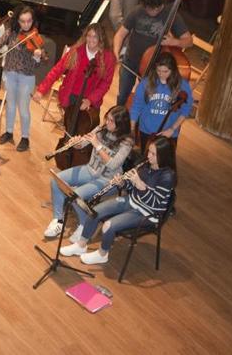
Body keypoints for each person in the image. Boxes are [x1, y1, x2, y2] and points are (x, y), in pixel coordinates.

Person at [59, 136, 176, 265]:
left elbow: (155, 203)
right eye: (149, 151)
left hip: (147, 213)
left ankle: (103, 254)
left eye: (154, 154)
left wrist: (140, 185)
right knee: (94, 212)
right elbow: (131, 188)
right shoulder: (145, 165)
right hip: (133, 200)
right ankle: (81, 245)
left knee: (108, 226)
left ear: (163, 156)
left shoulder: (167, 177)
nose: (149, 156)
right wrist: (122, 183)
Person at [42, 105, 134, 239]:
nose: (107, 122)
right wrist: (77, 142)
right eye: (107, 118)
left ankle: (85, 224)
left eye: (111, 121)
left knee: (75, 196)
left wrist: (97, 145)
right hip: (90, 169)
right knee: (56, 180)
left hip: (108, 179)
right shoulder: (102, 129)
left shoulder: (127, 142)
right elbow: (82, 145)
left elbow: (114, 164)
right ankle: (59, 220)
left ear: (121, 124)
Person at [113, 0, 193, 106]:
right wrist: (116, 52)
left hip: (152, 68)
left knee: (145, 100)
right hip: (130, 61)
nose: (151, 12)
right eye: (148, 8)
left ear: (161, 5)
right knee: (123, 95)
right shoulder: (137, 11)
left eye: (154, 9)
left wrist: (174, 41)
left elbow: (189, 41)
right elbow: (120, 34)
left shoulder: (171, 15)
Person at [0, 5, 45, 152]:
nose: (26, 25)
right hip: (10, 74)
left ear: (33, 21)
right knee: (10, 105)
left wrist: (37, 57)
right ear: (17, 21)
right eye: (22, 21)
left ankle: (25, 138)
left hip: (26, 77)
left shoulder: (36, 38)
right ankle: (9, 132)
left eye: (29, 21)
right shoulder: (11, 32)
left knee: (24, 109)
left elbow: (38, 65)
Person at [33, 22, 116, 116]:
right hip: (70, 96)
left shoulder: (108, 58)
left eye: (95, 37)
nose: (91, 40)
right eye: (89, 36)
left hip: (89, 100)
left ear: (101, 39)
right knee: (68, 126)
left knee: (80, 128)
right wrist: (41, 90)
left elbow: (105, 83)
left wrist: (90, 100)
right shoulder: (76, 51)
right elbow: (57, 70)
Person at [130, 52, 193, 149]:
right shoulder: (146, 83)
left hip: (169, 133)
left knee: (164, 162)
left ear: (173, 70)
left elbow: (185, 110)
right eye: (158, 71)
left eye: (165, 71)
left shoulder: (182, 85)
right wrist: (132, 128)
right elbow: (136, 106)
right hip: (146, 131)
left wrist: (172, 129)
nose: (161, 74)